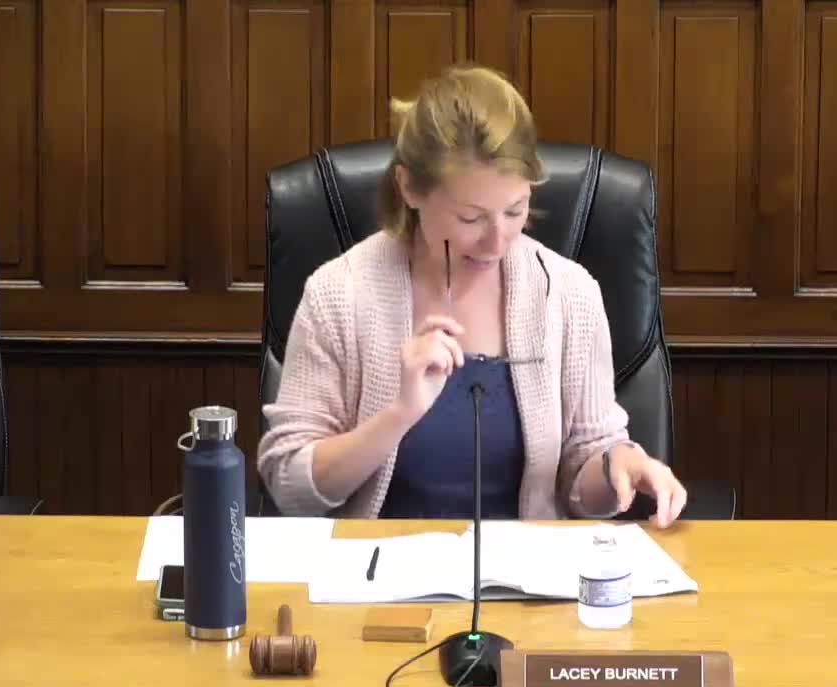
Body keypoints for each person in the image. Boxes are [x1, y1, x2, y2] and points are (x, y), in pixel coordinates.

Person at [257, 64, 687, 526]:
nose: (497, 241)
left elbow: (583, 471)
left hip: (525, 568)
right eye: (471, 218)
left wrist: (616, 465)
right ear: (408, 187)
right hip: (379, 565)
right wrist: (398, 415)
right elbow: (289, 484)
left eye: (515, 211)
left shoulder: (569, 294)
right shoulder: (338, 295)